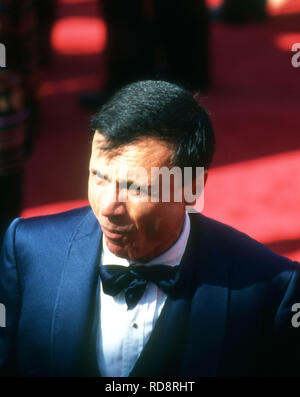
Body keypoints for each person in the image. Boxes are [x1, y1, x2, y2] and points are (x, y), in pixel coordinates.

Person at [1, 80, 300, 377]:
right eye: (98, 176)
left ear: (192, 189)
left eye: (136, 188)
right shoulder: (29, 250)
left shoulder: (269, 288)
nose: (107, 208)